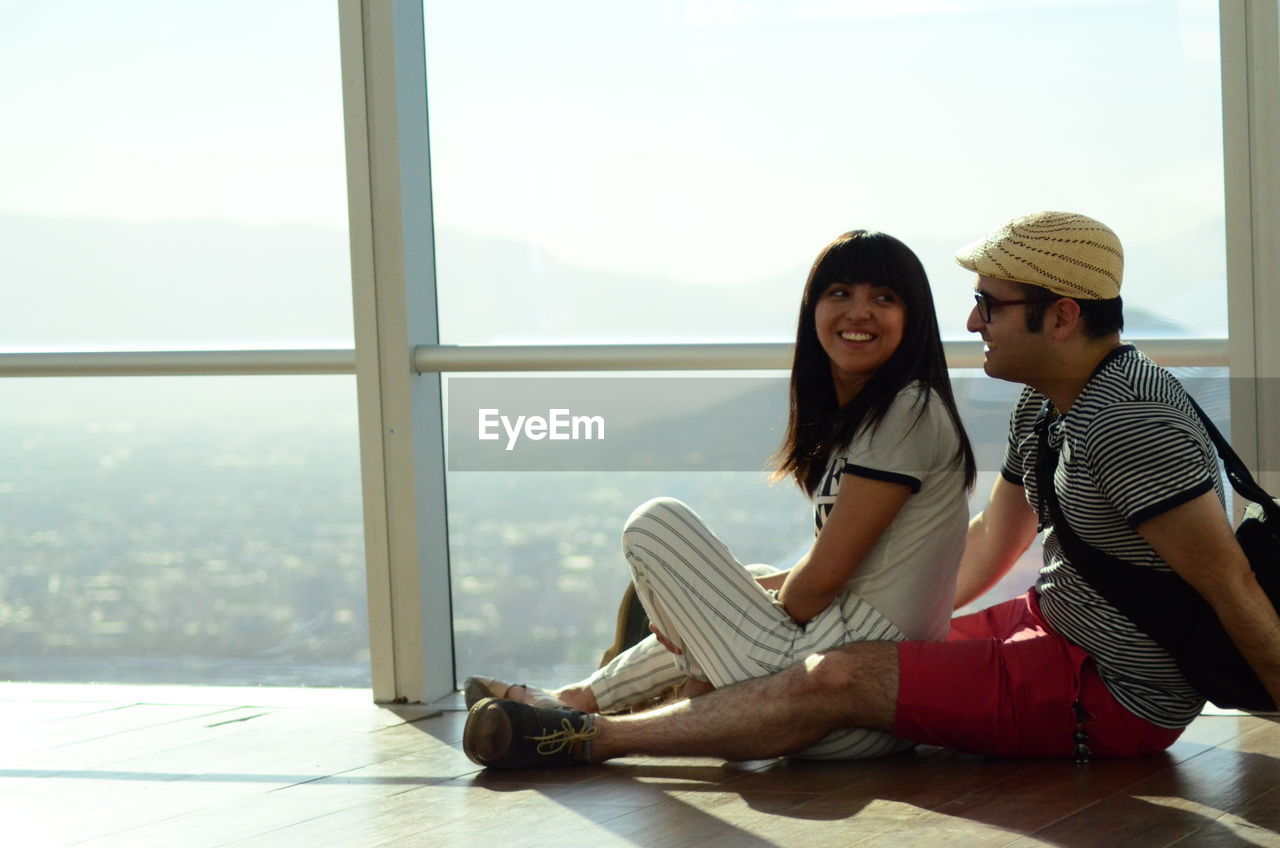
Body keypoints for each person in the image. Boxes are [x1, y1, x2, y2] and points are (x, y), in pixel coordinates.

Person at [459, 210, 1280, 768]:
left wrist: (831, 649)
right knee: (817, 656)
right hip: (1049, 629)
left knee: (834, 678)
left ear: (1061, 317)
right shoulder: (1053, 404)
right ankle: (586, 706)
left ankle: (588, 736)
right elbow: (993, 542)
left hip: (1110, 692)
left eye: (991, 305)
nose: (972, 323)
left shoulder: (1128, 421)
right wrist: (898, 623)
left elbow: (1229, 586)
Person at [463, 229, 977, 766]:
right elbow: (839, 572)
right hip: (854, 691)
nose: (860, 311)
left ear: (913, 318)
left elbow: (820, 584)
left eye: (884, 298)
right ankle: (572, 703)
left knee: (655, 525)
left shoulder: (908, 408)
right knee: (749, 576)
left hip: (851, 690)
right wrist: (725, 604)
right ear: (814, 308)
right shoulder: (872, 417)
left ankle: (597, 711)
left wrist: (699, 623)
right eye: (841, 293)